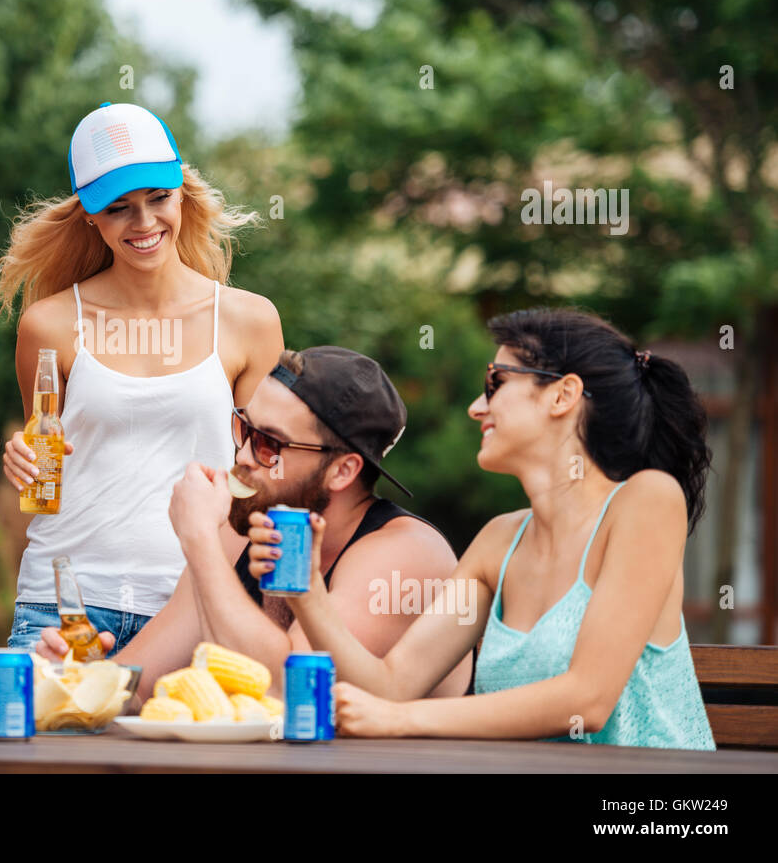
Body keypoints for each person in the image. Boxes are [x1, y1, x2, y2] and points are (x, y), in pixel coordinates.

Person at [249, 309, 715, 749]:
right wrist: (308, 592)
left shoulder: (647, 500)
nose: (476, 408)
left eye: (495, 382)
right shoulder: (499, 541)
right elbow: (390, 686)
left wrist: (403, 719)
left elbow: (587, 700)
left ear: (563, 395)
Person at [0, 101, 285, 650]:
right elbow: (45, 471)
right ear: (90, 215)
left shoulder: (250, 321)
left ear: (183, 194)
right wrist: (22, 459)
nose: (145, 223)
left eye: (159, 199)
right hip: (63, 607)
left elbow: (268, 474)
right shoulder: (49, 325)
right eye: (120, 207)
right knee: (34, 735)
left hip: (199, 605)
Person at [38, 347, 474, 703]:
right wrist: (82, 676)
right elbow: (137, 688)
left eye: (268, 443)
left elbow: (289, 695)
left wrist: (199, 540)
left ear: (343, 471)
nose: (243, 455)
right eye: (242, 428)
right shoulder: (238, 534)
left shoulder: (403, 554)